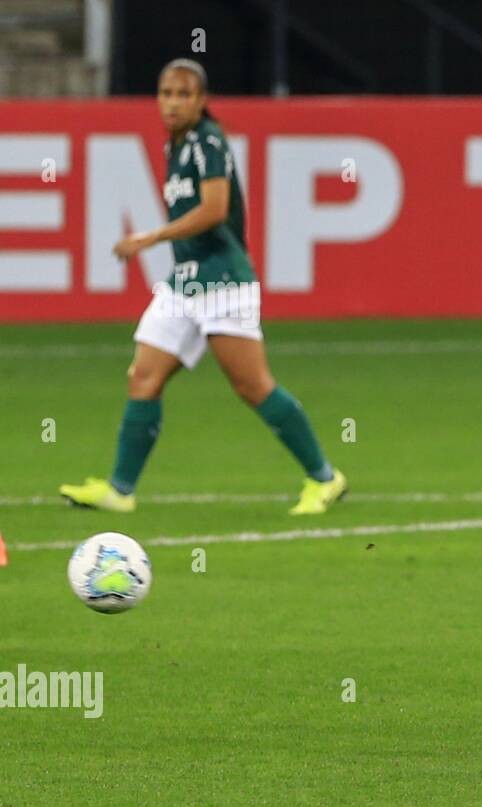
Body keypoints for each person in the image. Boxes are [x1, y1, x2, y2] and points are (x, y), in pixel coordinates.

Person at [59, 58, 346, 516]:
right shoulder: (176, 146)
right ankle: (121, 490)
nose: (172, 102)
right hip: (184, 283)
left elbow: (215, 210)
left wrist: (151, 237)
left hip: (223, 280)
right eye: (166, 93)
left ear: (200, 100)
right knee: (143, 377)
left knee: (252, 386)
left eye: (183, 94)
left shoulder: (208, 141)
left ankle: (325, 478)